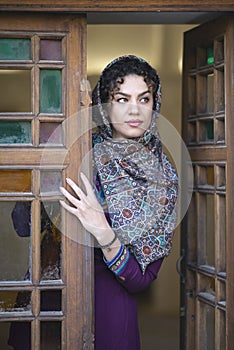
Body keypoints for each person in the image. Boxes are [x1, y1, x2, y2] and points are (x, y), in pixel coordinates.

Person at [60, 55, 178, 350]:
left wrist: (104, 233)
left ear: (155, 104)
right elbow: (24, 226)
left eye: (144, 98)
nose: (135, 110)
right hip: (51, 296)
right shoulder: (75, 153)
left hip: (108, 309)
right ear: (104, 105)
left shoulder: (163, 178)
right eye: (122, 99)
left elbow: (141, 280)